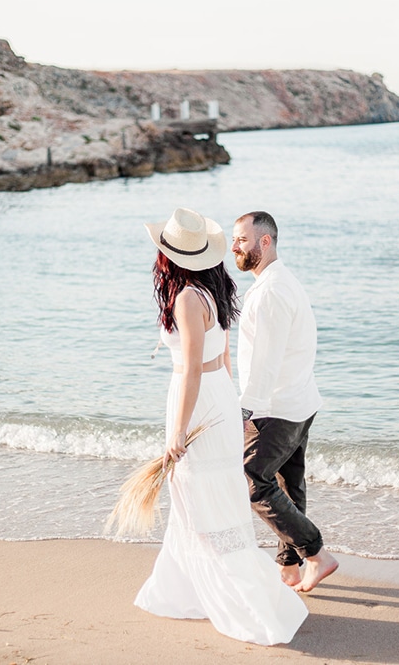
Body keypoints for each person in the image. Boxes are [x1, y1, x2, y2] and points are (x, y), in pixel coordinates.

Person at [135, 207, 308, 645]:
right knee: (204, 502)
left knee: (201, 502)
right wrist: (228, 412)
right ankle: (183, 590)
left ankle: (240, 600)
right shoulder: (211, 292)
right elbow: (223, 360)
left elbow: (191, 368)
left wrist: (177, 430)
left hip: (195, 400)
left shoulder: (188, 298)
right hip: (216, 398)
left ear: (168, 257)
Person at [232, 210, 338, 593]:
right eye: (234, 239)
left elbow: (266, 358)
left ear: (266, 241)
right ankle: (291, 567)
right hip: (299, 399)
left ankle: (316, 554)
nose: (235, 247)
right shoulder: (280, 281)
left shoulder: (273, 290)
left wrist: (245, 410)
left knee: (252, 480)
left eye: (242, 239)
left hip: (276, 407)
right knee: (288, 484)